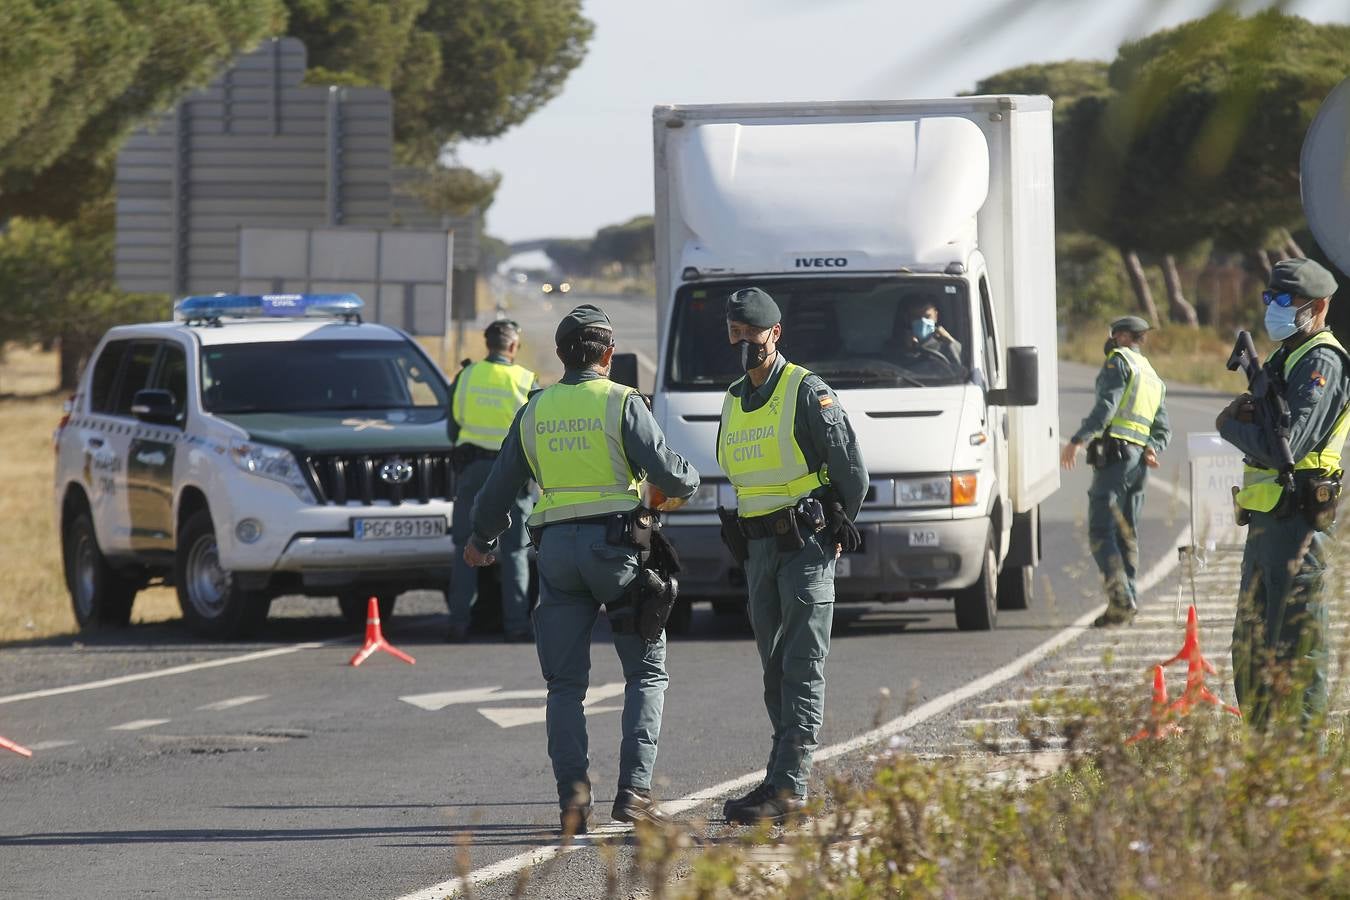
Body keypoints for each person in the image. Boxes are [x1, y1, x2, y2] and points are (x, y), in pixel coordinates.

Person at [463, 304, 700, 833]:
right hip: (617, 551)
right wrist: (687, 481)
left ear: (561, 355)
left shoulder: (535, 409)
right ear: (609, 354)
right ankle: (634, 795)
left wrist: (481, 541)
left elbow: (496, 491)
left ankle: (573, 803)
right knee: (646, 673)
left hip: (556, 555)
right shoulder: (621, 402)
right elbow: (672, 476)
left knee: (565, 686)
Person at [716, 287, 868, 825]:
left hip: (804, 547)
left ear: (774, 334)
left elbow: (851, 471)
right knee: (774, 671)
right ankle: (781, 777)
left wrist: (833, 523)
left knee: (801, 667)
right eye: (734, 334)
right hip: (757, 552)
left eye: (750, 336)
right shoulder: (734, 398)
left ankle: (791, 787)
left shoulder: (808, 392)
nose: (742, 344)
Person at [1217, 258, 1347, 731]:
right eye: (1269, 298)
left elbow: (1285, 447)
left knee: (1296, 649)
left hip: (1299, 528)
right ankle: (1264, 756)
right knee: (1250, 649)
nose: (1274, 308)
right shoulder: (1285, 357)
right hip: (1268, 523)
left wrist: (1230, 425)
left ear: (1319, 306)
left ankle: (1301, 769)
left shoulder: (1322, 362)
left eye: (1286, 301)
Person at [1060, 315, 1171, 627]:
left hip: (1117, 458)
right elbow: (1163, 427)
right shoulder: (1151, 373)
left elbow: (1106, 406)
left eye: (1113, 335)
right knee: (1126, 532)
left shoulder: (1118, 362)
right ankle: (1129, 597)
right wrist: (1153, 447)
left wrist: (1078, 439)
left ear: (1123, 337)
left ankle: (1120, 599)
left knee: (1101, 529)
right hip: (1139, 462)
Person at [445, 319, 538, 643]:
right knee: (514, 552)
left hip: (472, 470)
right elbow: (534, 430)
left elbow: (453, 429)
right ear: (513, 347)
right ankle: (516, 625)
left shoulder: (466, 376)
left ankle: (459, 623)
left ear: (488, 345)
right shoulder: (526, 380)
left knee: (465, 546)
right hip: (511, 472)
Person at [902, 299, 963, 369]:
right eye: (916, 317)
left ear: (936, 317)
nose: (922, 321)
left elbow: (963, 366)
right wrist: (907, 349)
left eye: (927, 317)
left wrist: (950, 341)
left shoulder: (946, 345)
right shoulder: (897, 345)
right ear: (908, 319)